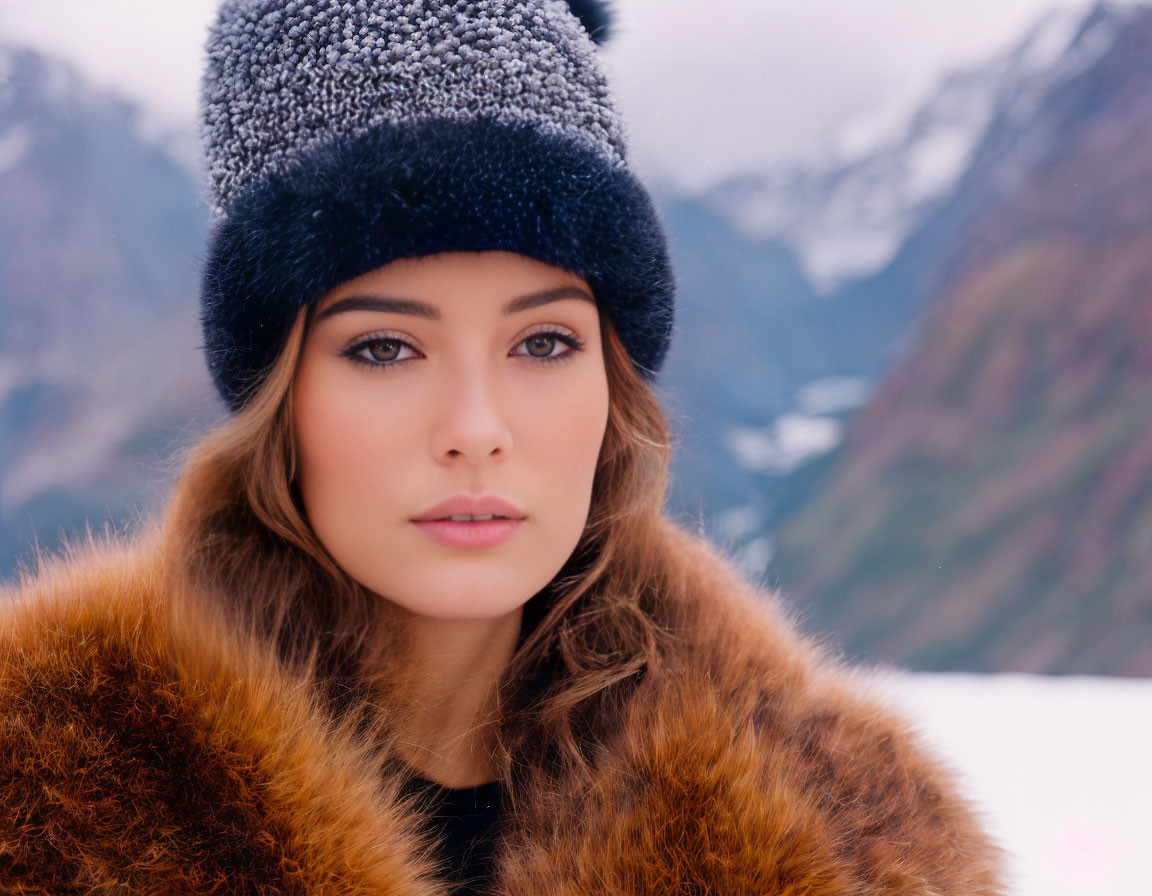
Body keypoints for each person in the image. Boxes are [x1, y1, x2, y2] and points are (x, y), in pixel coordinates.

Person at [0, 1, 1005, 893]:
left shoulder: (853, 840)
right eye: (386, 346)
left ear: (613, 384)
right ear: (280, 396)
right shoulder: (43, 800)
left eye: (543, 341)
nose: (476, 429)